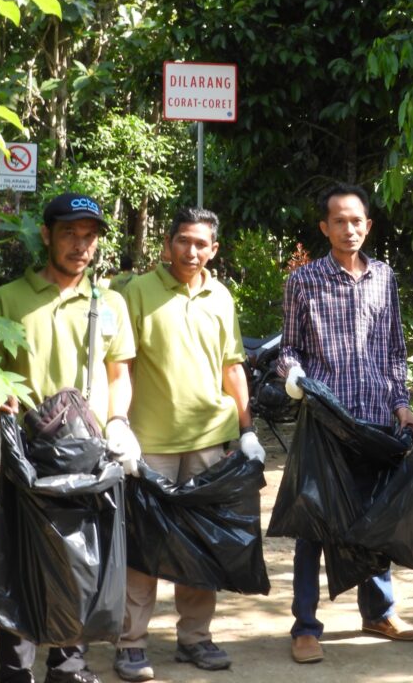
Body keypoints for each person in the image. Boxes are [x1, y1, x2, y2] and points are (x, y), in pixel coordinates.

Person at [0, 192, 137, 683]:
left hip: (90, 450)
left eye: (89, 236)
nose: (80, 245)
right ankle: (15, 665)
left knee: (79, 557)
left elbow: (119, 373)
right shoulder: (8, 299)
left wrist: (118, 422)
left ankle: (68, 665)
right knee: (22, 554)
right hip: (30, 447)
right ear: (46, 234)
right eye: (69, 232)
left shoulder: (107, 301)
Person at [113, 207, 265, 682]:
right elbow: (122, 366)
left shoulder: (220, 295)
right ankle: (131, 641)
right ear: (167, 242)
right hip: (150, 442)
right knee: (143, 544)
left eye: (201, 244)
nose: (191, 251)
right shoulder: (136, 293)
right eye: (183, 241)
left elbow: (232, 366)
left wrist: (246, 431)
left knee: (202, 543)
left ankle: (195, 637)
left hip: (209, 441)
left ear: (213, 249)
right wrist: (118, 428)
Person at [280, 182, 413, 664]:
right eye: (338, 220)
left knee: (375, 519)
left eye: (356, 220)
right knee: (313, 523)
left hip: (377, 421)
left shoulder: (384, 277)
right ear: (324, 227)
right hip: (324, 424)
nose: (348, 228)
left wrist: (401, 404)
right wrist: (293, 376)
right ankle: (305, 626)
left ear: (368, 225)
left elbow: (394, 350)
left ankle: (378, 612)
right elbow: (288, 348)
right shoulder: (304, 281)